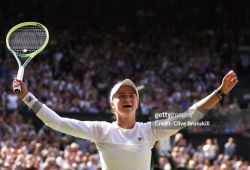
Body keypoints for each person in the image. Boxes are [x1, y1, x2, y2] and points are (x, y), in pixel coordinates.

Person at [12, 70, 238, 170]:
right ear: (112, 105)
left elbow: (190, 115)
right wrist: (27, 97)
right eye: (121, 95)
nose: (127, 98)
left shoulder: (150, 131)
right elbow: (58, 123)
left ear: (137, 104)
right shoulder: (101, 130)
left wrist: (220, 91)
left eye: (132, 96)